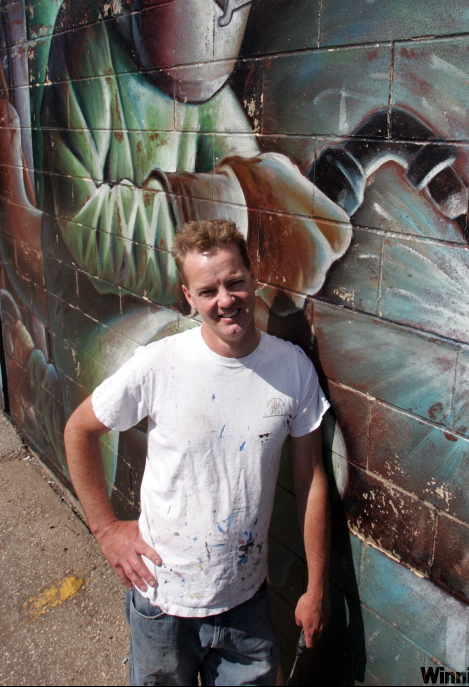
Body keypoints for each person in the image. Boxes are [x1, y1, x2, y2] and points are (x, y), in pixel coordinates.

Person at [64, 218, 330, 687]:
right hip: (162, 600)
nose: (225, 300)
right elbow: (79, 429)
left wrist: (316, 586)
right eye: (208, 290)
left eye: (235, 282)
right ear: (189, 298)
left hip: (247, 603)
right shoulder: (158, 363)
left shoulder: (293, 369)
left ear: (253, 279)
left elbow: (312, 483)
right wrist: (105, 529)